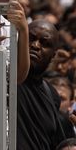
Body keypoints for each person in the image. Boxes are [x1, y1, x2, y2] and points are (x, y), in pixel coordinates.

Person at [18, 20, 74, 149]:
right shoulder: (6, 80)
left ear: (53, 55)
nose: (35, 45)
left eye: (45, 43)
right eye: (31, 38)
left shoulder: (51, 94)